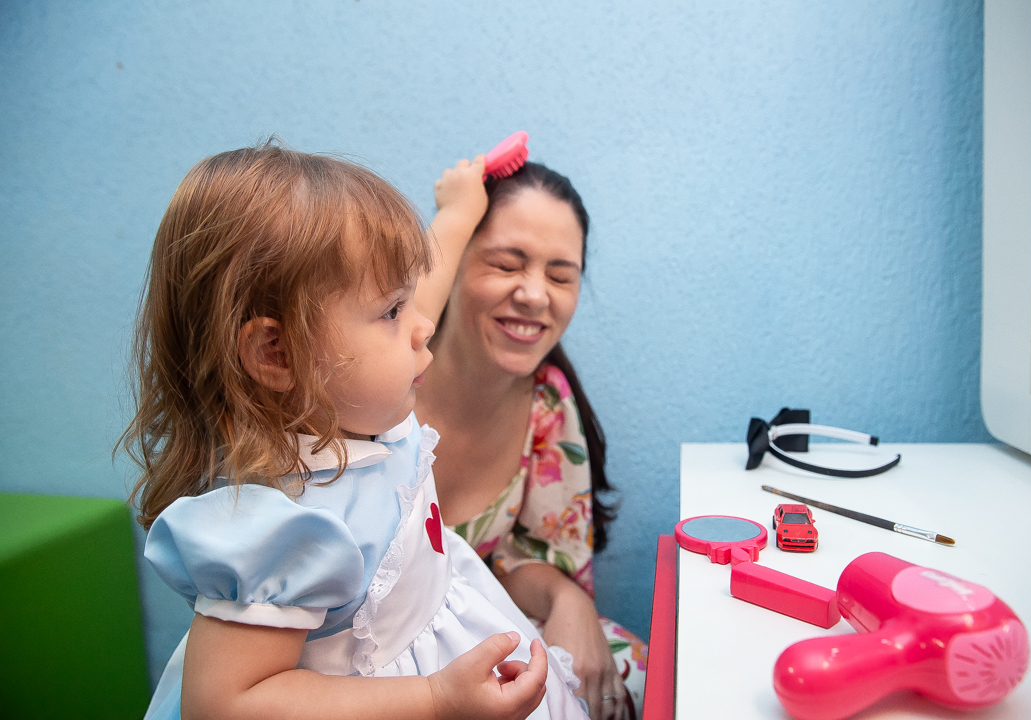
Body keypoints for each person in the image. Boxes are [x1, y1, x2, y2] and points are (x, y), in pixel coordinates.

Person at [122, 143, 589, 720]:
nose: (423, 327)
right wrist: (435, 700)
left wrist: (460, 214)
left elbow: (424, 292)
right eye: (393, 310)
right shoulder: (284, 523)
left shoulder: (361, 415)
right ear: (277, 354)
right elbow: (224, 702)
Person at [416, 158, 647, 720]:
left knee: (636, 668)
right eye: (506, 264)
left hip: (475, 639)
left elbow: (521, 565)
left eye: (561, 276)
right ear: (453, 261)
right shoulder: (376, 384)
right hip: (363, 653)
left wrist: (569, 600)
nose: (534, 295)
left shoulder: (547, 402)